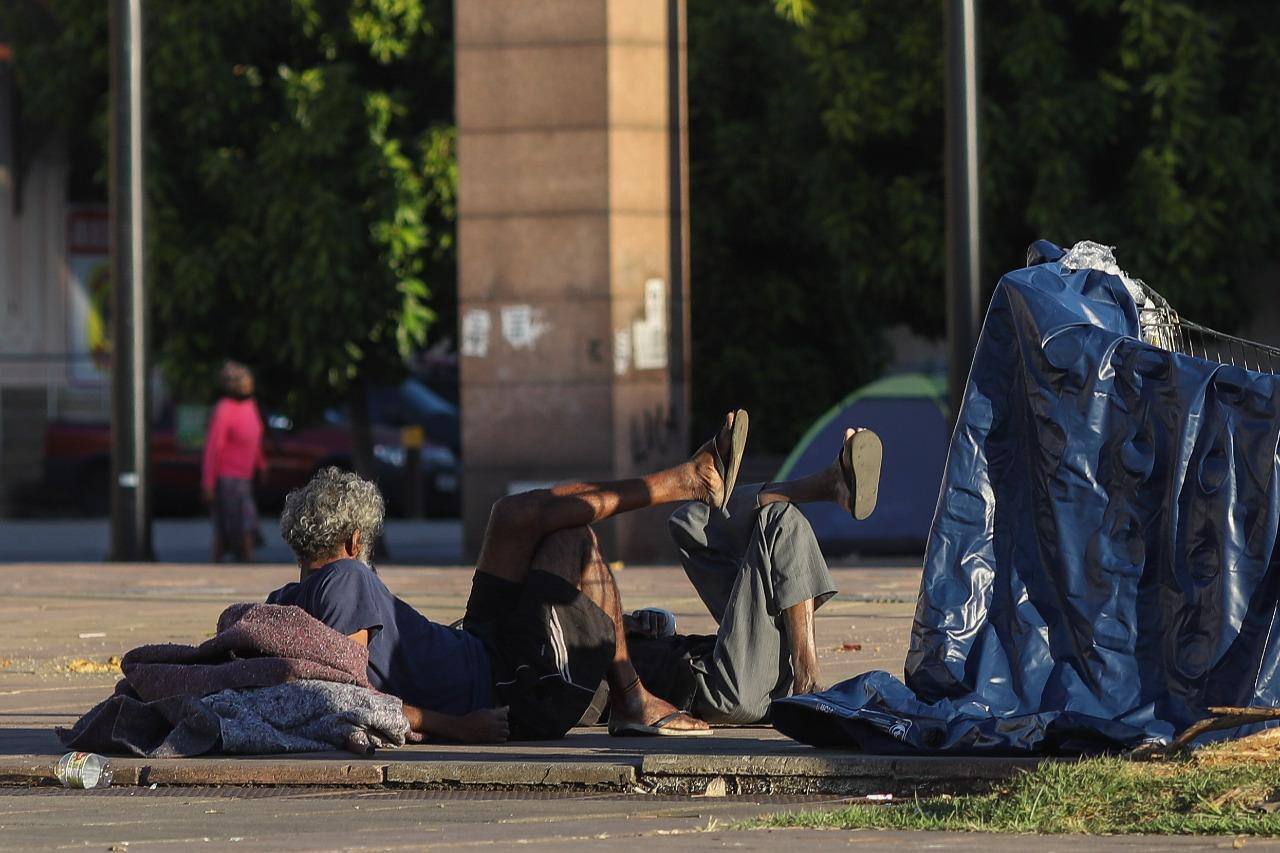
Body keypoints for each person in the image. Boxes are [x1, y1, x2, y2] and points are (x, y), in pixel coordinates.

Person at [265, 411, 752, 742]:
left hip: (481, 644)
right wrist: (457, 728)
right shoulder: (346, 577)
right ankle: (632, 698)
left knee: (514, 515)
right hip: (511, 688)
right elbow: (349, 700)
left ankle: (686, 481)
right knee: (571, 540)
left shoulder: (288, 597)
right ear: (354, 539)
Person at [629, 427, 883, 725]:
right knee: (781, 521)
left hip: (741, 667)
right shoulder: (578, 667)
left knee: (686, 523)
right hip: (722, 688)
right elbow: (591, 699)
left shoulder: (587, 638)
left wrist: (632, 625)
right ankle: (809, 683)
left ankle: (828, 485)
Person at [202, 361, 267, 562]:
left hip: (245, 478)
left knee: (239, 523)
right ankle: (243, 561)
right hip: (227, 478)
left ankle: (239, 560)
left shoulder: (251, 406)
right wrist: (208, 483)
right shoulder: (224, 409)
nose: (246, 385)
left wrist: (262, 465)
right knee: (235, 524)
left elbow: (255, 439)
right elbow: (213, 448)